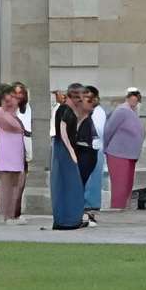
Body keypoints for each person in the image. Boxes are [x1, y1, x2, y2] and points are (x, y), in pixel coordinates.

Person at [101, 89, 146, 217]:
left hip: (131, 155)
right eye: (132, 97)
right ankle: (116, 213)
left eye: (137, 97)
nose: (135, 100)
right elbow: (109, 129)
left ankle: (123, 212)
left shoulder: (133, 112)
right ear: (127, 97)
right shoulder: (121, 111)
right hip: (118, 153)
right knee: (120, 187)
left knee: (127, 186)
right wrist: (106, 147)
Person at [0, 82, 30, 221]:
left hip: (15, 153)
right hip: (8, 154)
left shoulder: (11, 113)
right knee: (9, 184)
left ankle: (11, 214)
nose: (14, 100)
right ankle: (8, 215)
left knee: (15, 184)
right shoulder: (1, 113)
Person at [48, 88, 86, 230]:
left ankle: (65, 219)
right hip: (64, 148)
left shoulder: (63, 109)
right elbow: (63, 131)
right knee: (70, 185)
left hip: (62, 147)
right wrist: (71, 152)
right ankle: (69, 220)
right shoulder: (66, 110)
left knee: (63, 184)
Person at [73, 85, 104, 225]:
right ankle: (83, 211)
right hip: (85, 150)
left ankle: (89, 211)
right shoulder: (82, 114)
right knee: (84, 182)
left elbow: (100, 132)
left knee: (92, 182)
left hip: (94, 150)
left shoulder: (98, 113)